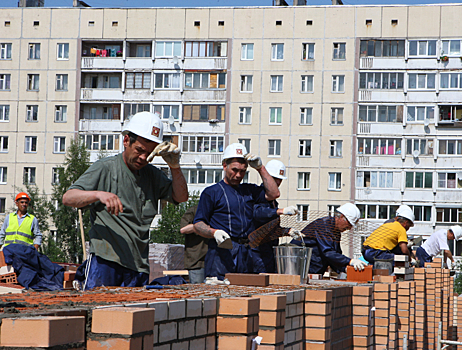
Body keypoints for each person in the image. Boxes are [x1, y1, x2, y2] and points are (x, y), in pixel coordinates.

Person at [63, 111, 188, 289]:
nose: (143, 158)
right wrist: (99, 194)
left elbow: (181, 197)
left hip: (138, 267)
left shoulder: (152, 175)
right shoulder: (106, 168)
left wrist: (175, 167)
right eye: (139, 150)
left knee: (132, 316)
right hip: (106, 263)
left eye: (149, 153)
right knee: (98, 313)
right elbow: (68, 197)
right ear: (126, 141)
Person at [193, 143, 280, 280]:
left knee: (244, 295)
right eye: (234, 170)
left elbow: (274, 193)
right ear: (224, 166)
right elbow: (198, 224)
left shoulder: (249, 190)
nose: (238, 175)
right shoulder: (212, 192)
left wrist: (260, 168)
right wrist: (214, 232)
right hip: (221, 254)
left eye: (243, 171)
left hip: (246, 253)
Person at [291, 203, 366, 275]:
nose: (349, 228)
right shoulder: (323, 226)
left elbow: (335, 255)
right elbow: (327, 253)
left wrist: (344, 268)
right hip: (299, 268)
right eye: (349, 224)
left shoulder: (335, 231)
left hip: (313, 270)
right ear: (341, 217)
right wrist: (350, 261)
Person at [251, 159, 298, 273]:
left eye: (280, 180)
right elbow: (257, 213)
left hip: (268, 251)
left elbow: (270, 229)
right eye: (274, 179)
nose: (277, 183)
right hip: (257, 252)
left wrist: (287, 231)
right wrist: (280, 211)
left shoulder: (273, 202)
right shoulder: (260, 194)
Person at [180, 204, 208, 284]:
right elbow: (183, 229)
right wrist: (204, 228)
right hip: (197, 261)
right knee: (198, 292)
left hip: (215, 261)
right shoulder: (194, 210)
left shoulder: (217, 211)